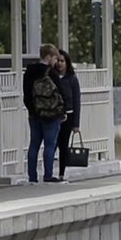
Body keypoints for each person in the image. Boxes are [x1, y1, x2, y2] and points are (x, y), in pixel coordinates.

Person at [22, 43, 72, 184]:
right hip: (51, 115)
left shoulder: (29, 72)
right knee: (50, 145)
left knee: (34, 145)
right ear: (49, 57)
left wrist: (32, 109)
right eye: (55, 59)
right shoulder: (51, 73)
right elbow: (60, 93)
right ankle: (48, 175)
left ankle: (32, 176)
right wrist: (62, 111)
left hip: (34, 114)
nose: (56, 62)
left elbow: (26, 94)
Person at [56, 50, 82, 181]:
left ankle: (61, 173)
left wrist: (76, 123)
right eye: (58, 61)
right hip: (54, 115)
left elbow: (77, 100)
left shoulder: (72, 79)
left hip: (69, 115)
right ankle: (48, 172)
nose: (60, 64)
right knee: (52, 144)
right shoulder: (52, 77)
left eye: (62, 61)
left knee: (63, 146)